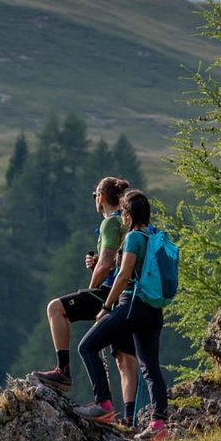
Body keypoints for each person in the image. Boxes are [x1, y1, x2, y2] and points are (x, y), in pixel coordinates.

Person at [32, 177, 139, 418]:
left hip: (108, 293)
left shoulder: (109, 224)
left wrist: (93, 285)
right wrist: (97, 266)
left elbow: (107, 261)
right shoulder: (127, 224)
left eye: (95, 196)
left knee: (55, 308)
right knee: (124, 358)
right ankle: (129, 418)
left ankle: (63, 371)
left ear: (100, 197)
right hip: (129, 297)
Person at [75, 189, 172, 441]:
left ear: (127, 215)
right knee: (150, 367)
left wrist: (106, 306)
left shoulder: (133, 238)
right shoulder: (155, 236)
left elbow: (124, 274)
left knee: (86, 346)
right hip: (154, 310)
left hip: (132, 305)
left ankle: (104, 405)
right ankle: (159, 424)